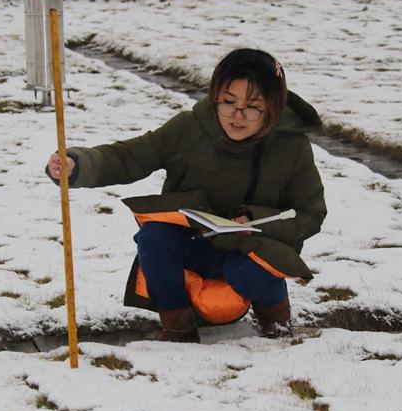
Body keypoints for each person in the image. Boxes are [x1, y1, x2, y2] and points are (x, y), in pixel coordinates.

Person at [46, 48, 326, 343]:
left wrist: (256, 222)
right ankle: (178, 328)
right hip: (194, 241)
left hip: (251, 249)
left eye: (252, 107)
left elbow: (310, 213)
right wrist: (77, 165)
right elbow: (130, 157)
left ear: (273, 107)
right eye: (228, 102)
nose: (237, 115)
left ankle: (276, 321)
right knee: (154, 238)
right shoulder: (190, 129)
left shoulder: (290, 147)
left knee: (246, 268)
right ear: (215, 95)